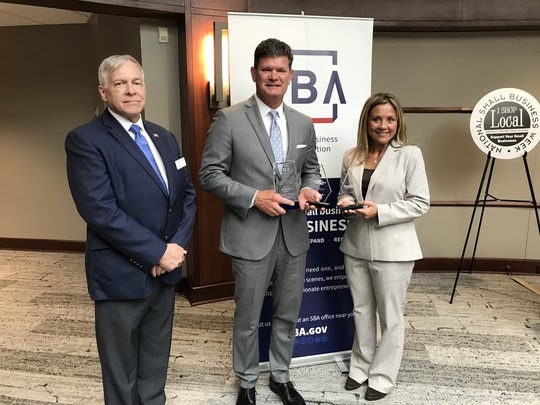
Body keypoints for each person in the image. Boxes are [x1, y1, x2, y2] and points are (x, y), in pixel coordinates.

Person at [65, 54, 196, 404]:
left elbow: (187, 197)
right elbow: (100, 211)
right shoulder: (86, 140)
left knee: (155, 360)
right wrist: (156, 252)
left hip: (165, 273)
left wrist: (174, 250)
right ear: (104, 92)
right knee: (121, 372)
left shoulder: (163, 137)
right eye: (120, 83)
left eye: (136, 82)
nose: (130, 90)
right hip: (121, 275)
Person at [199, 38, 322, 405]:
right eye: (266, 70)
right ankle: (248, 382)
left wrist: (309, 190)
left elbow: (312, 170)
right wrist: (254, 197)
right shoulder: (229, 119)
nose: (273, 76)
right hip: (250, 234)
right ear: (254, 73)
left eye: (280, 70)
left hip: (293, 236)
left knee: (288, 312)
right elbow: (209, 175)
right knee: (248, 317)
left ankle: (281, 377)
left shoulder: (303, 123)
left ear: (290, 75)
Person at [336, 93, 429, 401]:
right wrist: (346, 202)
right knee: (361, 311)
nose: (383, 125)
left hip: (395, 250)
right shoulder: (352, 155)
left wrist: (381, 211)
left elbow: (420, 202)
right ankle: (360, 368)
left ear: (398, 121)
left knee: (390, 317)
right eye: (377, 119)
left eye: (390, 119)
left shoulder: (410, 154)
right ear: (367, 121)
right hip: (356, 245)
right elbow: (345, 192)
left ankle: (382, 376)